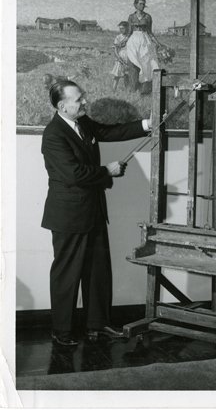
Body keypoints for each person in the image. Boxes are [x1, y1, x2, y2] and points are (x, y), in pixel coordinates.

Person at [41, 79, 151, 346]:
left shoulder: (83, 123)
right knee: (68, 274)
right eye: (79, 100)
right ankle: (62, 331)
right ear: (62, 106)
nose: (84, 102)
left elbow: (108, 132)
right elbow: (73, 174)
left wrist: (146, 125)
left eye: (83, 97)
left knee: (97, 271)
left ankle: (97, 325)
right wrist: (106, 171)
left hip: (93, 211)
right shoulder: (54, 134)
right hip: (68, 216)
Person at [126, 0, 160, 94]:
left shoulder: (148, 17)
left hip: (145, 41)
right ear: (135, 5)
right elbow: (129, 32)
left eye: (144, 4)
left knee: (146, 64)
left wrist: (158, 43)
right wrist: (123, 42)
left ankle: (144, 90)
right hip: (134, 41)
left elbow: (149, 32)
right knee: (133, 65)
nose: (142, 6)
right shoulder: (131, 17)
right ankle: (133, 89)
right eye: (140, 4)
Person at [110, 21, 129, 91]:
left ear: (127, 28)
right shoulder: (118, 37)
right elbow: (115, 50)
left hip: (129, 58)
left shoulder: (129, 37)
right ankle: (113, 90)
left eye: (123, 28)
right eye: (120, 28)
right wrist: (119, 58)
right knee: (117, 76)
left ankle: (127, 91)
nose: (121, 30)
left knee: (127, 75)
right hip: (120, 58)